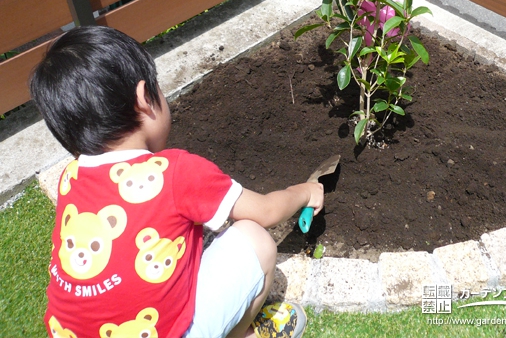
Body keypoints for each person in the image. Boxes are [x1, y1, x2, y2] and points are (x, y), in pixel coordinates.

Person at [31, 25, 324, 338]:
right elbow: (265, 212)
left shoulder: (71, 179)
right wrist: (304, 191)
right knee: (255, 239)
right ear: (145, 98)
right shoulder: (173, 172)